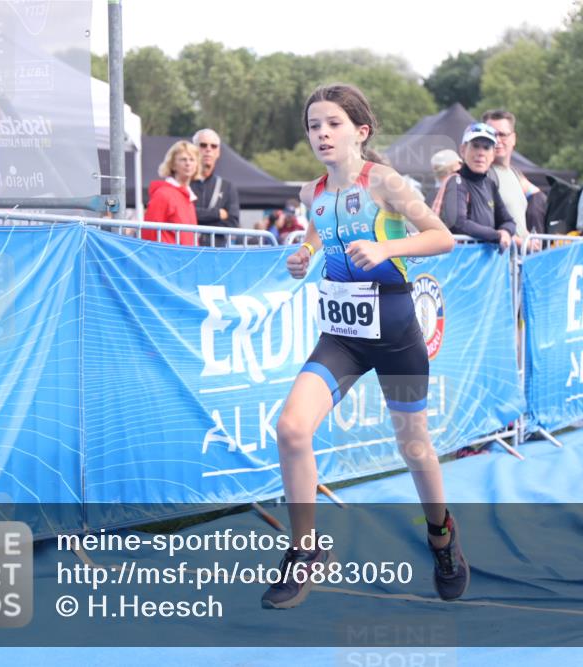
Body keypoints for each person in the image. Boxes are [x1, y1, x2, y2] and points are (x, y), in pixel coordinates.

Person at [261, 83, 465, 610]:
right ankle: (304, 550)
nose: (322, 134)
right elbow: (316, 230)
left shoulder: (387, 182)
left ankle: (442, 537)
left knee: (414, 448)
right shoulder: (314, 192)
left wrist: (387, 246)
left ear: (360, 131)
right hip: (342, 338)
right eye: (313, 126)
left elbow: (441, 236)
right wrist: (304, 253)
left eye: (333, 123)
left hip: (395, 334)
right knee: (290, 427)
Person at [438, 122, 516, 250]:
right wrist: (496, 236)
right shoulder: (456, 181)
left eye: (486, 148)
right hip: (456, 263)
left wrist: (505, 232)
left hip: (484, 266)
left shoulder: (490, 185)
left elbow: (509, 221)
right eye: (475, 146)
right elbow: (458, 223)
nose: (481, 153)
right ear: (463, 150)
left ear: (493, 155)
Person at [481, 109, 547, 238]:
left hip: (520, 256)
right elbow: (482, 223)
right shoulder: (483, 174)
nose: (497, 140)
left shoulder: (515, 174)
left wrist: (529, 238)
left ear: (513, 138)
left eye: (503, 134)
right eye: (492, 134)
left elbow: (538, 196)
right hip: (499, 255)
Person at [190, 128, 240, 246]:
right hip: (187, 250)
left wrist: (198, 220)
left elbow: (232, 223)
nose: (208, 149)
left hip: (215, 252)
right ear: (193, 149)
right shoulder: (183, 183)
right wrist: (217, 214)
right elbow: (182, 216)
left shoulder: (227, 187)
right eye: (203, 145)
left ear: (218, 152)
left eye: (214, 146)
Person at [142, 140, 198, 245]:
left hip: (186, 258)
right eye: (183, 159)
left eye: (192, 159)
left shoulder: (188, 196)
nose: (188, 163)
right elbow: (149, 232)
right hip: (167, 258)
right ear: (172, 165)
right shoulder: (163, 194)